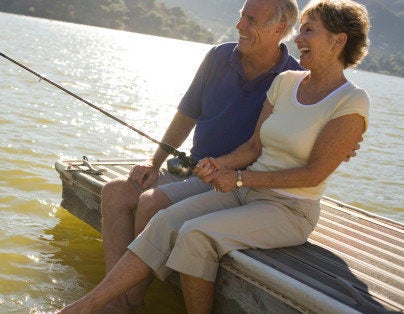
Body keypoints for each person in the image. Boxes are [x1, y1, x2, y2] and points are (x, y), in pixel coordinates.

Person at [60, 0, 371, 313]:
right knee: (154, 214)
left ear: (337, 40)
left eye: (309, 31)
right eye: (301, 30)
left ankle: (105, 304)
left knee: (186, 229)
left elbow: (314, 169)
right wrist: (209, 165)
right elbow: (251, 145)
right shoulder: (285, 81)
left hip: (274, 199)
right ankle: (109, 303)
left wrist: (236, 176)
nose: (299, 38)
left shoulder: (346, 97)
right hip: (235, 184)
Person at [100, 0, 302, 309]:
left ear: (278, 29)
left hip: (232, 184)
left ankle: (125, 302)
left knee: (150, 203)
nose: (239, 26)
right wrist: (154, 162)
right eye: (240, 16)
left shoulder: (294, 79)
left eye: (250, 19)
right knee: (114, 193)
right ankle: (117, 297)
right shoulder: (219, 56)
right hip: (192, 170)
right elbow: (187, 113)